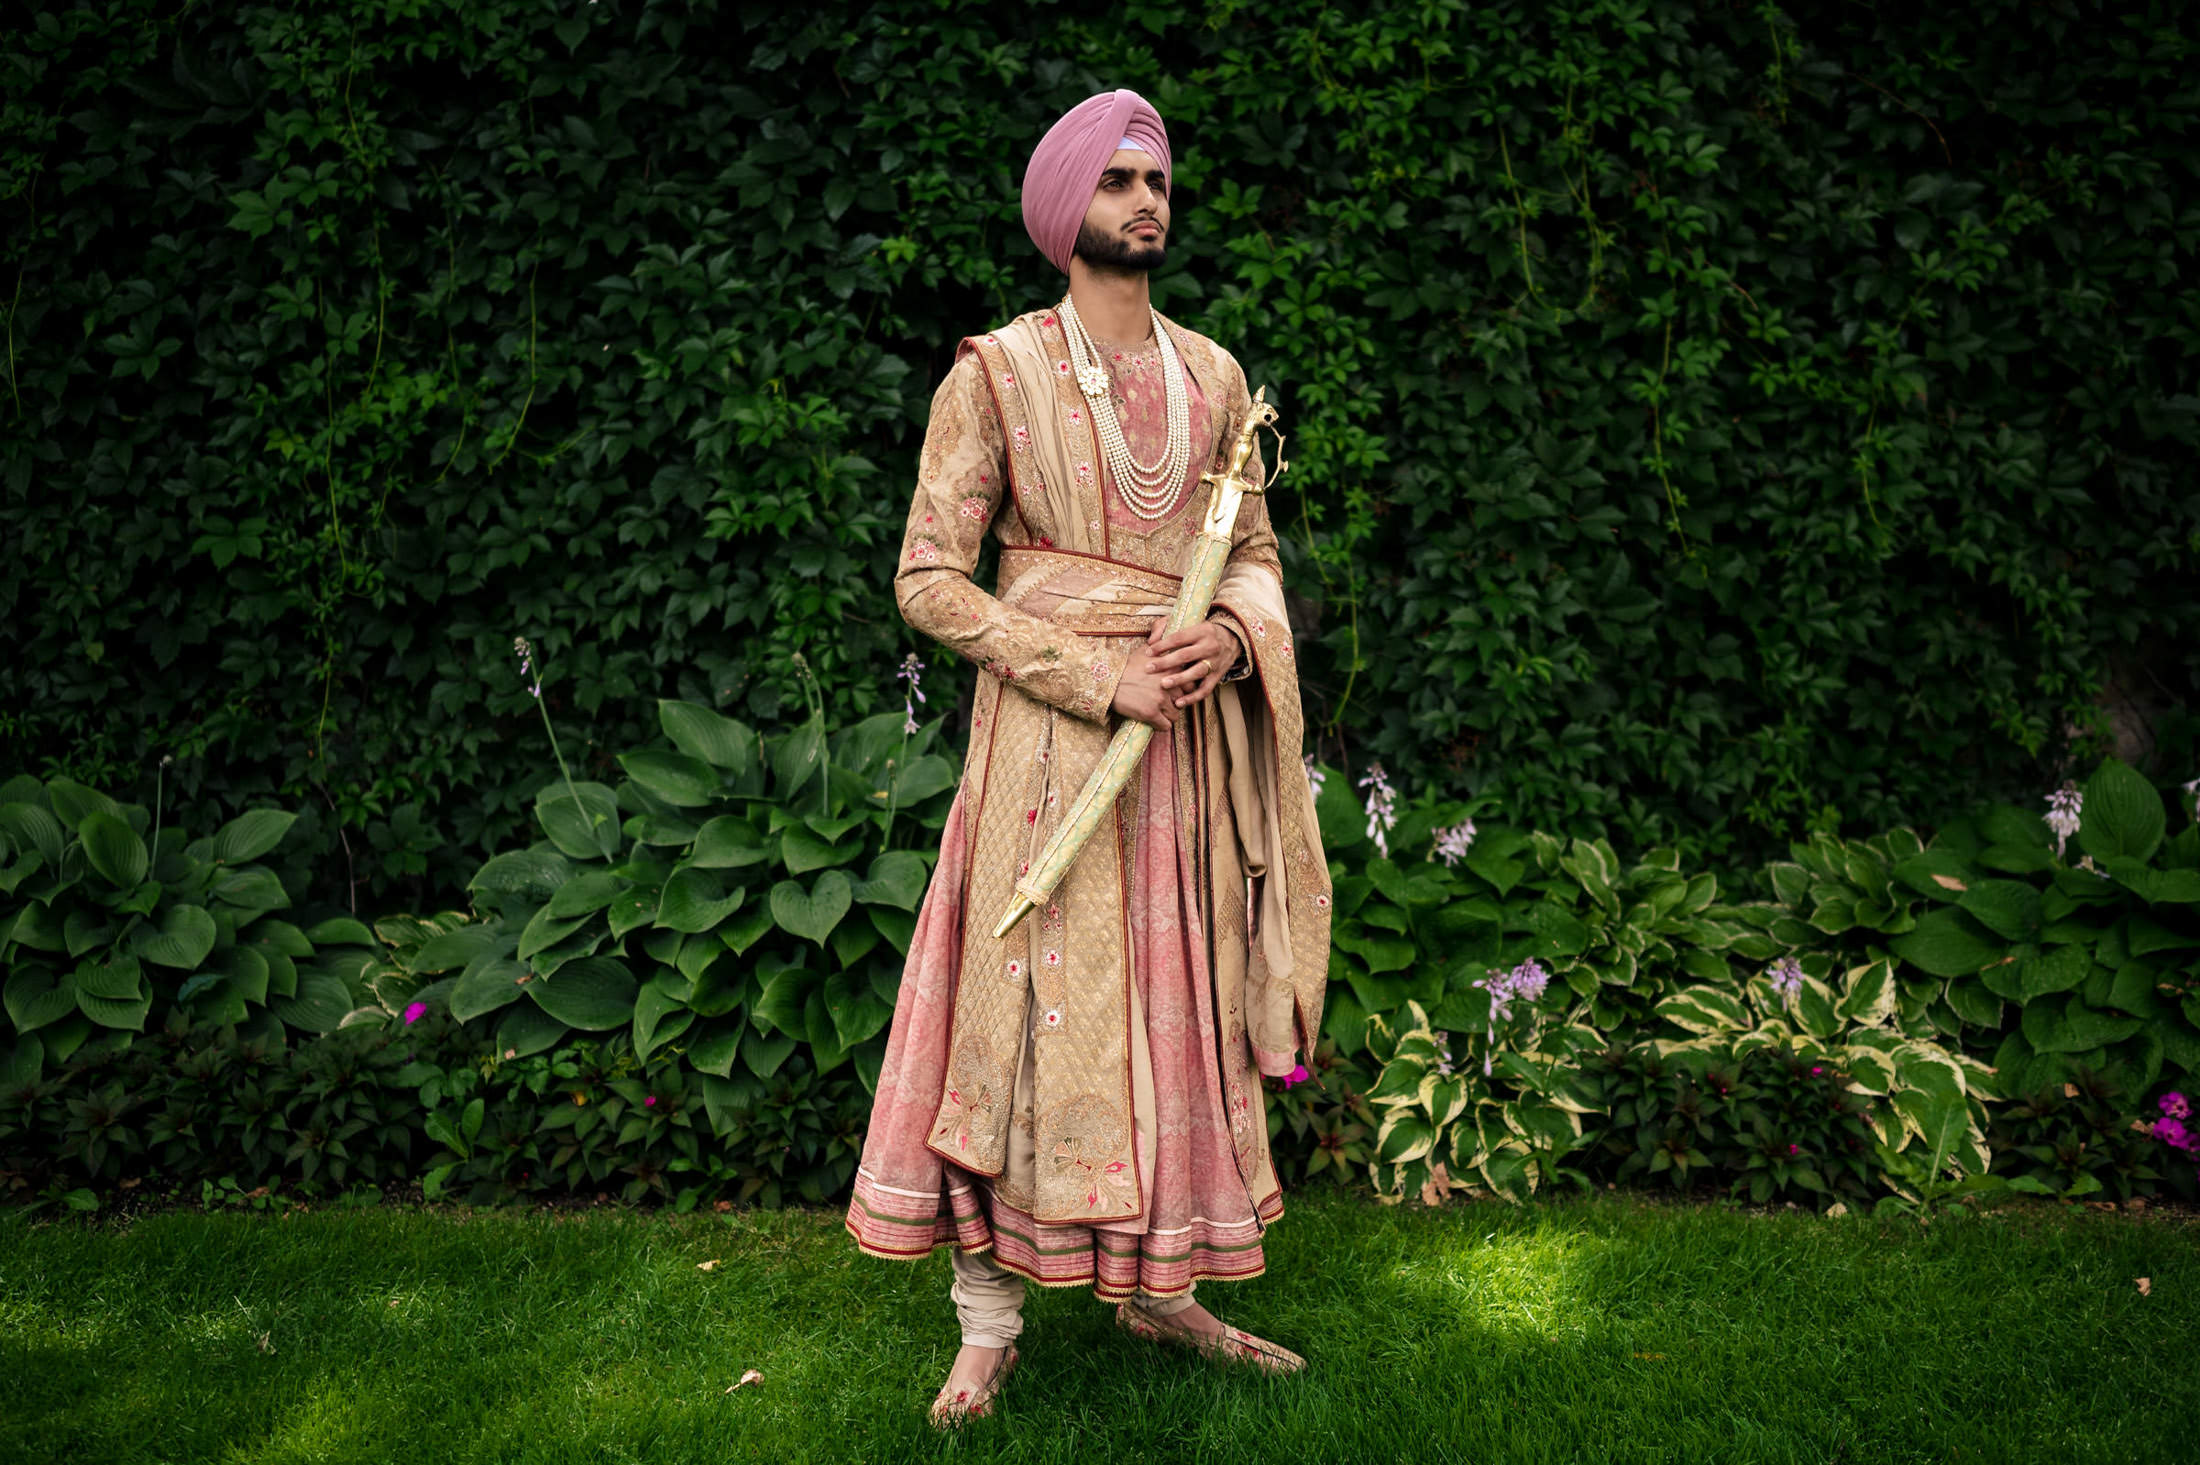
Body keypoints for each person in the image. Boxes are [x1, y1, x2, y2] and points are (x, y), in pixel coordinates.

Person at [841, 87, 1333, 1428]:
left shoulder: (1220, 379)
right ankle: (987, 1328)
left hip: (1176, 758)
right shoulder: (992, 374)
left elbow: (1254, 552)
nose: (1146, 202)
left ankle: (1162, 1283)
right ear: (1068, 209)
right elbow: (929, 581)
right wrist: (1095, 669)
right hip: (1048, 762)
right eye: (1118, 182)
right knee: (1011, 1019)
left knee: (1185, 1005)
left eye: (1158, 180)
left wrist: (1231, 641)